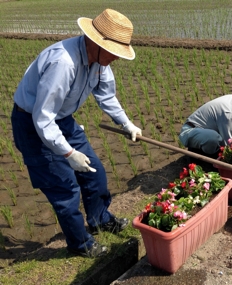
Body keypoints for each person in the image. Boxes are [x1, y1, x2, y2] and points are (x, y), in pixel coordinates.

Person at [11, 9, 142, 258]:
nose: (115, 59)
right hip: (32, 123)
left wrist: (127, 124)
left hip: (62, 119)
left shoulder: (99, 61)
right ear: (96, 42)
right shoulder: (63, 63)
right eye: (114, 53)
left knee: (95, 172)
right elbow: (43, 117)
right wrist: (69, 153)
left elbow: (106, 95)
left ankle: (100, 219)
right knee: (65, 187)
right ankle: (80, 244)